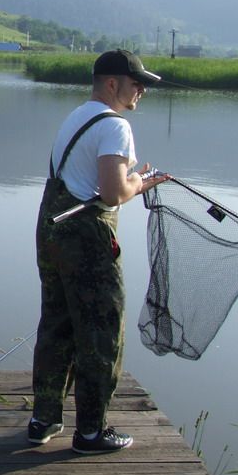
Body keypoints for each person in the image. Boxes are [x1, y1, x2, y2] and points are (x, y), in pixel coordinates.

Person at [29, 49, 169, 454]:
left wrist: (129, 179)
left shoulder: (77, 116)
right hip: (87, 241)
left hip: (51, 232)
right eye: (136, 83)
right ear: (112, 83)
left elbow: (86, 177)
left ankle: (43, 420)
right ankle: (90, 432)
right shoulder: (116, 127)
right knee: (100, 331)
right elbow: (111, 193)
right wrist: (140, 183)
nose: (141, 90)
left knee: (56, 324)